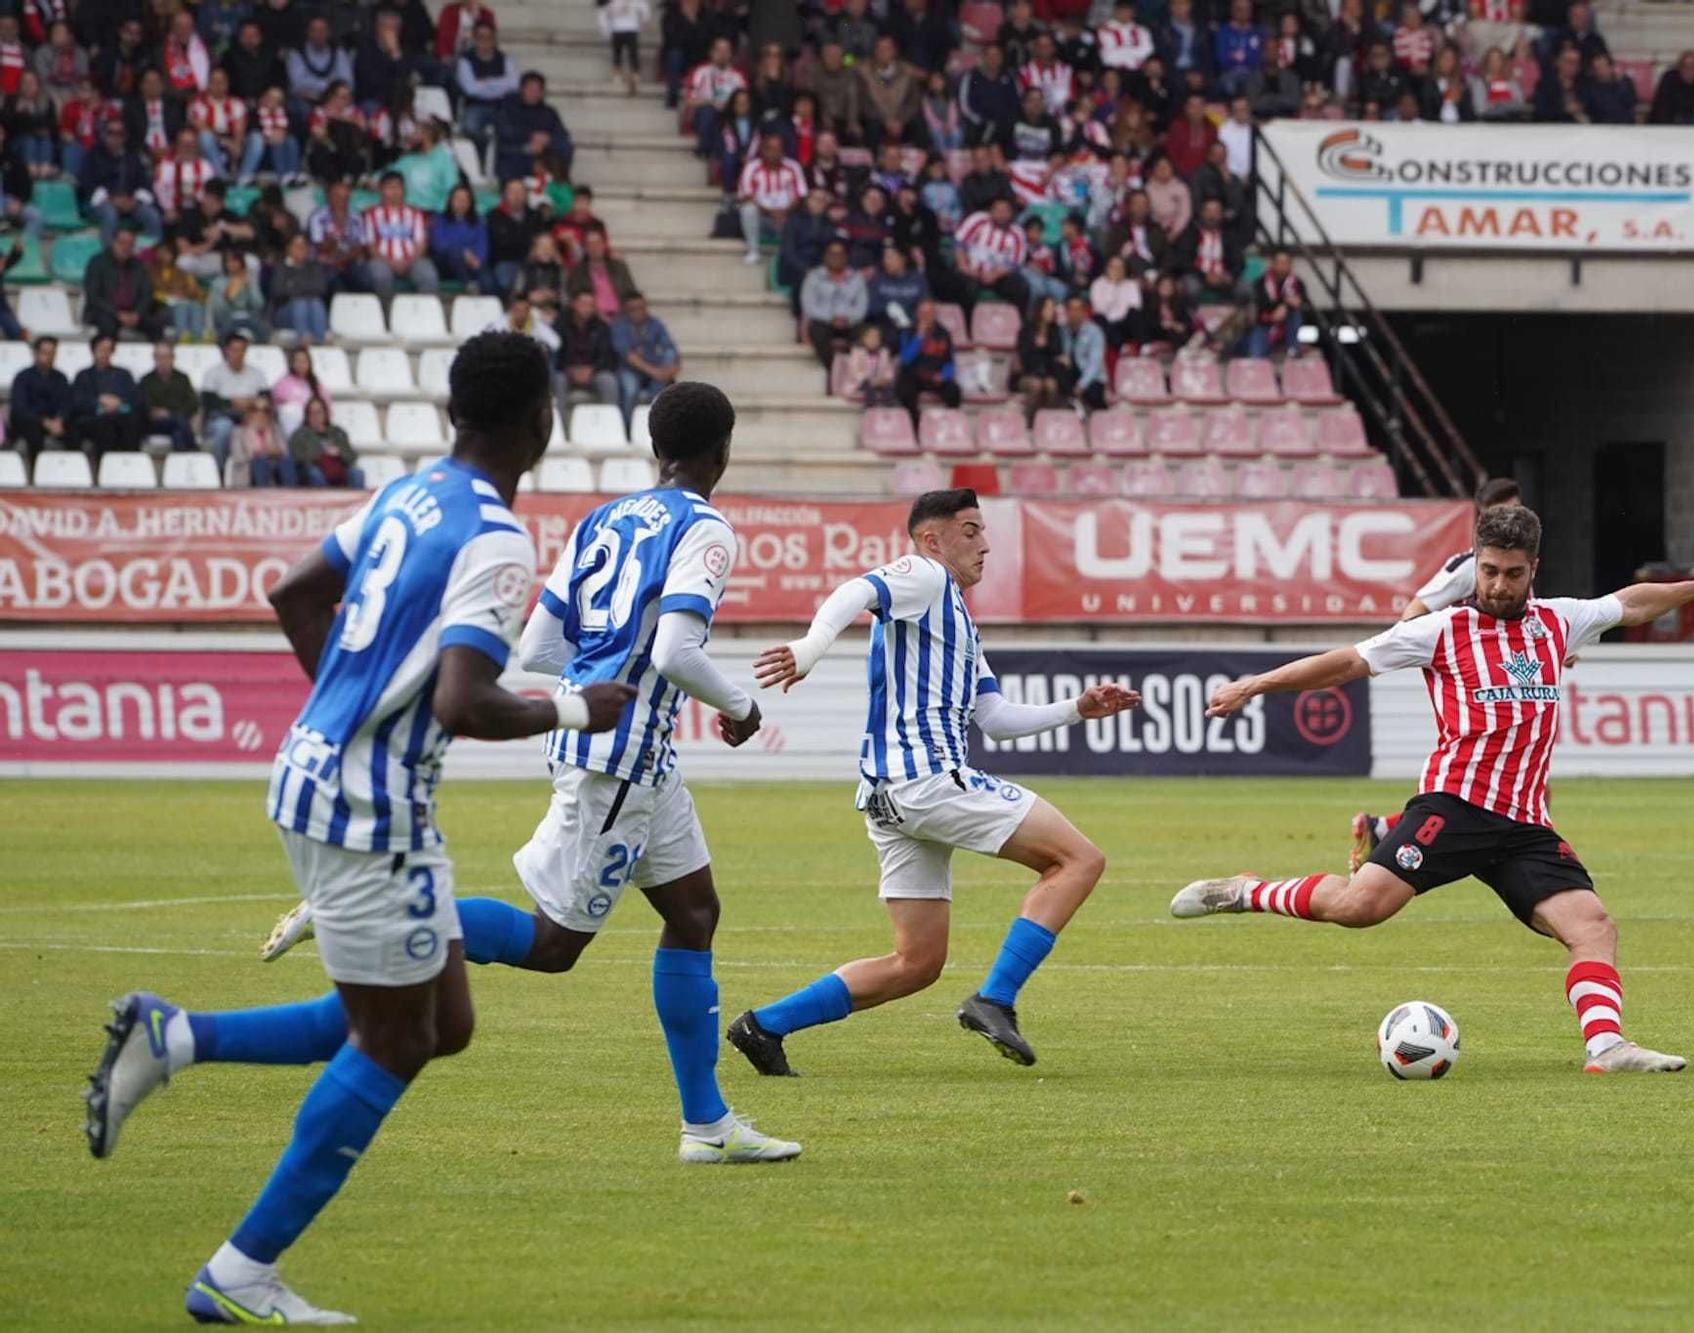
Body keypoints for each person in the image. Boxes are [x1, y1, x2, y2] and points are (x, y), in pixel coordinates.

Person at [83, 332, 636, 1324]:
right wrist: (571, 708)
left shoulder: (408, 495)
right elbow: (468, 700)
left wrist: (348, 710)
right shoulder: (496, 539)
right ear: (540, 420)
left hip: (332, 780)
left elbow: (294, 591)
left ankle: (175, 1038)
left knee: (442, 1021)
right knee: (395, 1040)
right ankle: (239, 1269)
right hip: (366, 807)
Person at [263, 380, 803, 1165]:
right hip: (619, 759)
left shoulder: (603, 518)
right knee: (554, 945)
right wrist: (744, 707)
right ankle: (394, 909)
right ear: (723, 449)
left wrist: (601, 675)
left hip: (633, 754)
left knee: (694, 911)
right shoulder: (707, 528)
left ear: (657, 449)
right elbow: (675, 651)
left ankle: (707, 1125)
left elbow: (541, 649)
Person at [1171, 504, 1694, 1075]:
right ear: (1476, 563)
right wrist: (1257, 684)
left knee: (1593, 926)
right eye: (1489, 571)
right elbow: (1346, 663)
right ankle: (1247, 891)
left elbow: (1630, 603)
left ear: (1533, 570)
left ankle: (1606, 1047)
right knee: (1359, 908)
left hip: (1525, 825)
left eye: (1512, 574)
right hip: (1453, 806)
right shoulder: (1441, 630)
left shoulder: (1559, 621)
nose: (1498, 586)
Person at [729, 490, 1141, 1075]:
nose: (985, 544)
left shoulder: (959, 623)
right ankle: (994, 999)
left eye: (983, 531)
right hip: (925, 780)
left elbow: (996, 721)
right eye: (970, 531)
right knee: (1078, 860)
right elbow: (855, 591)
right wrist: (810, 648)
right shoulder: (923, 576)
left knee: (916, 963)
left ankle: (763, 1026)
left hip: (888, 796)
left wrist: (1075, 708)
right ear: (932, 540)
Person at [1400, 477, 1525, 622]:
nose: (1512, 521)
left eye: (1517, 512)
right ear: (1484, 521)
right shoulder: (1469, 567)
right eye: (1502, 516)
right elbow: (1415, 611)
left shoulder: (1524, 561)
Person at [942, 195, 1029, 313]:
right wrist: (965, 267)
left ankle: (1019, 326)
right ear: (991, 211)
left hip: (997, 276)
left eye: (1005, 211)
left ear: (1011, 213)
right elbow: (959, 244)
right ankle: (967, 326)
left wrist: (994, 275)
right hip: (971, 271)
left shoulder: (1017, 233)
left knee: (1020, 286)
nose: (1001, 214)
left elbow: (1014, 264)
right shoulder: (978, 220)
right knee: (966, 288)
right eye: (997, 210)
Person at [80, 119, 161, 245]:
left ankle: (151, 255)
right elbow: (88, 185)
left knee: (152, 216)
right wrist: (112, 200)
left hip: (130, 202)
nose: (115, 137)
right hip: (102, 203)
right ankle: (108, 256)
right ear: (104, 135)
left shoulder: (132, 157)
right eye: (111, 133)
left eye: (119, 134)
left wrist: (135, 201)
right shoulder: (93, 156)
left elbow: (144, 183)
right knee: (110, 214)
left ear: (125, 137)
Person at [362, 171, 439, 302]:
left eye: (398, 187)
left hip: (412, 260)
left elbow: (421, 244)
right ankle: (387, 316)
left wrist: (409, 261)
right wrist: (390, 263)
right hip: (382, 261)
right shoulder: (371, 214)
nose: (394, 191)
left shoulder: (415, 213)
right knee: (379, 275)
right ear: (381, 190)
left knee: (428, 274)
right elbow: (371, 246)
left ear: (404, 190)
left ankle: (423, 315)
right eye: (389, 187)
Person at [737, 130, 810, 267]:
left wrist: (784, 212)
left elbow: (800, 196)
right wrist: (771, 212)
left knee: (801, 217)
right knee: (748, 210)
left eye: (778, 149)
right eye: (769, 149)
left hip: (786, 218)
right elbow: (747, 197)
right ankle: (753, 251)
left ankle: (791, 256)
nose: (773, 153)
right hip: (762, 218)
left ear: (783, 151)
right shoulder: (752, 167)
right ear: (763, 150)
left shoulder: (793, 167)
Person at [68, 332, 142, 463]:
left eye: (108, 350)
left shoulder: (123, 375)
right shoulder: (83, 376)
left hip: (121, 416)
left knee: (133, 422)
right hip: (94, 419)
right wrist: (100, 403)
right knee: (104, 425)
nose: (105, 353)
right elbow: (78, 402)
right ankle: (104, 466)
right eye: (101, 349)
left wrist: (119, 404)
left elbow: (134, 399)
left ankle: (131, 464)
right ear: (93, 351)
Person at [84, 225, 166, 342]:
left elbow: (147, 293)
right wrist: (117, 314)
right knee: (107, 325)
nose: (126, 247)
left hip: (133, 312)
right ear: (113, 242)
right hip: (106, 311)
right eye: (122, 243)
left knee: (155, 323)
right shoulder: (97, 263)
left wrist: (137, 313)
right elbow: (93, 296)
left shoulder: (138, 265)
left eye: (130, 244)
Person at [801, 237, 869, 372]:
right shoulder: (814, 276)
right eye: (832, 254)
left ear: (846, 257)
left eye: (839, 254)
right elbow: (809, 306)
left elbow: (862, 307)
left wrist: (847, 319)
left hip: (849, 322)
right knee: (817, 331)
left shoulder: (856, 277)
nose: (835, 258)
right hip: (824, 321)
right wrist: (831, 318)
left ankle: (855, 371)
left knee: (864, 333)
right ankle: (834, 370)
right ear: (825, 256)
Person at [201, 332, 270, 462]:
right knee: (224, 428)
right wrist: (233, 403)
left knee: (262, 427)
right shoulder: (213, 373)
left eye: (242, 350)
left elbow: (265, 399)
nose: (238, 354)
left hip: (251, 417)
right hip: (221, 417)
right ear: (227, 351)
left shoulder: (257, 374)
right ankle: (220, 470)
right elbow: (209, 403)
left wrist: (248, 404)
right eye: (234, 350)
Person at [609, 291, 679, 416]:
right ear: (626, 309)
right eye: (633, 309)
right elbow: (628, 356)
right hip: (629, 370)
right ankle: (628, 428)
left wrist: (672, 369)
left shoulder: (655, 323)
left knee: (669, 356)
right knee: (630, 390)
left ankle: (655, 420)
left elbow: (669, 347)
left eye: (642, 308)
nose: (638, 312)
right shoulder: (619, 325)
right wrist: (655, 372)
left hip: (654, 369)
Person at [893, 297, 959, 424]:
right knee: (904, 387)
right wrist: (919, 337)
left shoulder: (944, 334)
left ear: (935, 314)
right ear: (917, 314)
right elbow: (905, 360)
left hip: (935, 376)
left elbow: (950, 362)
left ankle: (950, 424)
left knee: (954, 391)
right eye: (923, 313)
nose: (926, 317)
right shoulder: (908, 332)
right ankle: (914, 423)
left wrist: (944, 375)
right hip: (914, 375)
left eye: (929, 313)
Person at [554, 288, 620, 413]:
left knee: (609, 381)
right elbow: (556, 354)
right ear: (574, 304)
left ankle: (610, 424)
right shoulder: (560, 325)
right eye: (583, 304)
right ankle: (560, 428)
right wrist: (570, 370)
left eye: (591, 305)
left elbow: (607, 355)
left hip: (593, 372)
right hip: (567, 371)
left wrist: (592, 370)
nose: (587, 308)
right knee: (558, 380)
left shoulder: (601, 327)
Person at [455, 20, 518, 149]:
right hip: (476, 106)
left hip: (502, 106)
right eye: (480, 37)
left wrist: (486, 82)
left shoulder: (506, 59)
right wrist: (500, 83)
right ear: (474, 38)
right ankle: (481, 155)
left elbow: (514, 84)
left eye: (488, 37)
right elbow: (471, 89)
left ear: (494, 39)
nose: (484, 41)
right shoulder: (465, 61)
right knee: (470, 127)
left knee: (511, 130)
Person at [269, 231, 333, 343]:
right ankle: (304, 342)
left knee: (316, 303)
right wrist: (306, 287)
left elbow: (320, 289)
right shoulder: (281, 267)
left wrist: (293, 285)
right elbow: (278, 291)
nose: (300, 249)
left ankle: (319, 343)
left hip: (311, 308)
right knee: (301, 303)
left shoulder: (314, 267)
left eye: (303, 246)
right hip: (285, 312)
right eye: (297, 246)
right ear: (288, 248)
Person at [287, 394, 362, 487]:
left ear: (325, 413)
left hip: (337, 469)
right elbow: (298, 458)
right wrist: (321, 452)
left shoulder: (337, 432)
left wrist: (339, 453)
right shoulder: (300, 434)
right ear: (307, 415)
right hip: (313, 471)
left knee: (357, 473)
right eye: (311, 413)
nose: (315, 416)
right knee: (314, 474)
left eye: (319, 412)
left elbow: (352, 456)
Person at [140, 340, 200, 451]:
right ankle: (194, 450)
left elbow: (192, 403)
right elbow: (144, 405)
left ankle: (182, 459)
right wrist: (156, 412)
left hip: (178, 421)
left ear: (173, 358)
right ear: (154, 359)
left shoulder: (182, 378)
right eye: (159, 357)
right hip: (154, 424)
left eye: (166, 357)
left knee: (178, 433)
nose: (162, 361)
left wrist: (170, 413)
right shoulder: (146, 380)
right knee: (180, 422)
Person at [146, 234, 208, 341]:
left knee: (196, 306)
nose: (164, 255)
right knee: (182, 307)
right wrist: (167, 296)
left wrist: (186, 294)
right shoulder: (149, 272)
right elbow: (148, 292)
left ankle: (198, 337)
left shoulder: (181, 272)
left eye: (167, 252)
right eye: (161, 252)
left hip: (182, 302)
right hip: (161, 307)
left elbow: (195, 291)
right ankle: (182, 336)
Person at [1247, 248, 1305, 358]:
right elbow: (1261, 305)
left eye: (1286, 263)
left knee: (1295, 313)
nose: (1282, 266)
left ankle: (1292, 350)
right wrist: (1284, 303)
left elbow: (1299, 302)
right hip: (1265, 324)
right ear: (1272, 264)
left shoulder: (1297, 283)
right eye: (1279, 262)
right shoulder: (1260, 282)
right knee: (1255, 354)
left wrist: (1285, 306)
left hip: (1287, 326)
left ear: (1290, 265)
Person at [1055, 293, 1107, 411]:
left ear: (1084, 312)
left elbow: (1095, 364)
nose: (1073, 313)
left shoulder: (1095, 332)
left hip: (1090, 376)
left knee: (1093, 392)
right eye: (1070, 309)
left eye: (1077, 309)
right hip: (1069, 374)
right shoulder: (1060, 331)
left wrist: (1081, 385)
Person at [1014, 296, 1064, 419]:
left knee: (1051, 385)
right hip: (1027, 375)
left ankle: (1046, 420)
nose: (1051, 311)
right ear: (1040, 309)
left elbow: (1056, 355)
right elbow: (1024, 357)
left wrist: (1045, 347)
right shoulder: (1026, 330)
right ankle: (1028, 421)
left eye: (1053, 308)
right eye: (1048, 308)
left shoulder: (1055, 331)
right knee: (1036, 385)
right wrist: (1035, 346)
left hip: (1047, 373)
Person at [228, 394, 294, 487]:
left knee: (286, 462)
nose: (260, 414)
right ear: (248, 412)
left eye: (265, 410)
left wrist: (269, 452)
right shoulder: (238, 432)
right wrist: (263, 453)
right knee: (260, 462)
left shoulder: (276, 430)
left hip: (275, 471)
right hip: (249, 473)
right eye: (255, 409)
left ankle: (290, 494)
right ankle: (262, 494)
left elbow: (285, 452)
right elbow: (239, 457)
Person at [207, 247, 268, 342]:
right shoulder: (218, 283)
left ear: (241, 262)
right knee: (227, 332)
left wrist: (249, 287)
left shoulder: (249, 281)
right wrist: (227, 297)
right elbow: (218, 311)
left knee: (263, 331)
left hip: (249, 317)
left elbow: (259, 305)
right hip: (228, 318)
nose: (231, 264)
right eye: (228, 261)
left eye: (235, 261)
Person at [1648, 49, 1694, 125]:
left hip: (1688, 118)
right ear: (1679, 67)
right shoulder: (1670, 77)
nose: (1689, 70)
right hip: (1671, 119)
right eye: (1685, 66)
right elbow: (1665, 105)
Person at [271, 345, 328, 436]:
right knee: (290, 409)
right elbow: (278, 403)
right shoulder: (283, 383)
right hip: (294, 425)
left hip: (314, 423)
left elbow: (326, 403)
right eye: (298, 361)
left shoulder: (315, 383)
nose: (301, 364)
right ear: (292, 363)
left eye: (304, 361)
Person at [601, 0, 651, 98]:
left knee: (632, 53)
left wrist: (643, 21)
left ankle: (635, 74)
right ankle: (618, 74)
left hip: (631, 28)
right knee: (618, 53)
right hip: (618, 28)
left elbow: (645, 10)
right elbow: (604, 12)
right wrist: (606, 30)